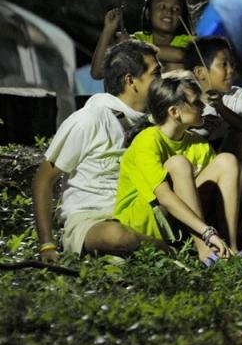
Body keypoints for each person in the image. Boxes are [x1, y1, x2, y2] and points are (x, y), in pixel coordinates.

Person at [32, 39, 167, 261]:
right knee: (115, 235)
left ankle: (133, 250)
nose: (162, 81)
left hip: (138, 215)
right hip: (91, 220)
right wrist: (47, 244)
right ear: (131, 81)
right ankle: (165, 249)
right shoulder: (90, 119)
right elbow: (43, 179)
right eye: (156, 74)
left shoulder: (154, 123)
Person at [113, 71, 242, 263]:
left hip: (186, 223)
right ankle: (205, 251)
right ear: (174, 112)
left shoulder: (196, 142)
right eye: (196, 102)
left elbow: (227, 188)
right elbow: (164, 197)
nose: (203, 106)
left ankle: (230, 247)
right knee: (178, 164)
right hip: (149, 222)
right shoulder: (147, 141)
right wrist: (207, 233)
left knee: (227, 160)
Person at [185, 37, 242, 191]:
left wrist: (222, 109)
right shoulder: (183, 101)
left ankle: (235, 205)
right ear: (200, 72)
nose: (231, 70)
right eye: (223, 65)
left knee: (237, 137)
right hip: (198, 173)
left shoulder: (237, 96)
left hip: (235, 175)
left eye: (232, 64)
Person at [91, 0, 195, 78]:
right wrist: (108, 30)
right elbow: (98, 73)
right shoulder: (136, 39)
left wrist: (135, 46)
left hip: (172, 96)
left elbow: (179, 55)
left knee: (175, 66)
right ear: (148, 13)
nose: (169, 12)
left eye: (176, 9)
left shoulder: (189, 42)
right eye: (162, 7)